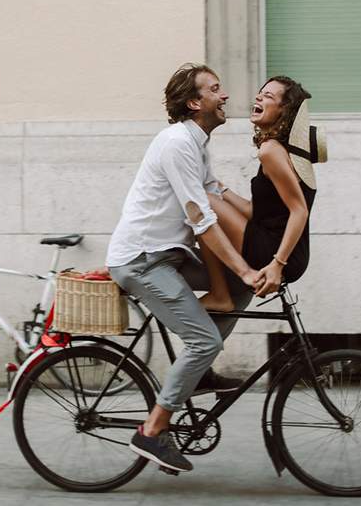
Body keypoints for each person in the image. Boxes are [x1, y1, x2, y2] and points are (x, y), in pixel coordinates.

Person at [106, 63, 263, 474]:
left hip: (167, 255)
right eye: (215, 89)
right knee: (205, 336)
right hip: (141, 261)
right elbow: (203, 217)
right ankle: (152, 431)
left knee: (235, 290)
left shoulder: (198, 142)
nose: (224, 95)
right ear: (195, 103)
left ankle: (199, 372)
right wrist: (246, 268)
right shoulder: (177, 142)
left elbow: (217, 195)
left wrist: (272, 228)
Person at [198, 76, 326, 313]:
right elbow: (254, 212)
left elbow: (300, 211)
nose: (258, 97)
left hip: (276, 252)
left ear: (283, 111)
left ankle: (219, 294)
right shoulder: (276, 149)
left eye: (268, 96)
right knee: (207, 199)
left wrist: (277, 264)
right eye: (260, 93)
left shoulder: (271, 151)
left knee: (199, 204)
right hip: (287, 251)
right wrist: (220, 188)